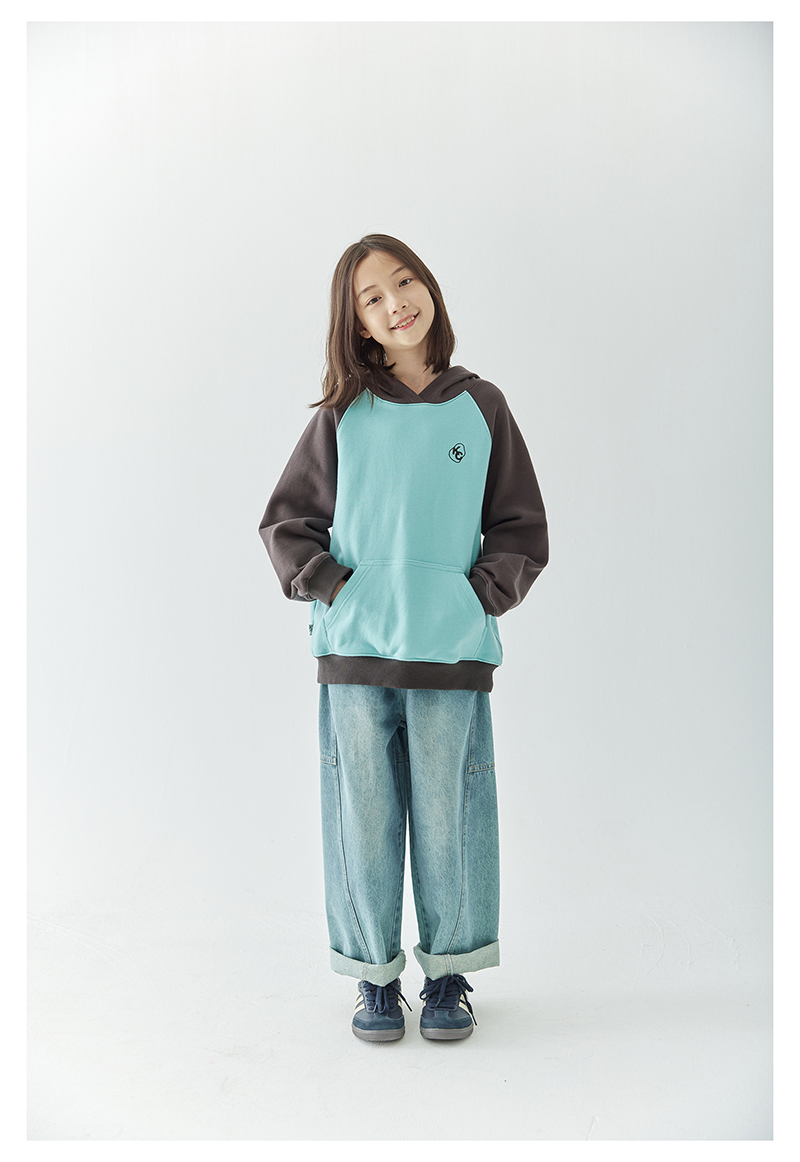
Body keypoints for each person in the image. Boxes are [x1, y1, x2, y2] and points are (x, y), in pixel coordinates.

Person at [259, 234, 548, 1042]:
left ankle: (449, 973)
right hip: (356, 657)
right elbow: (287, 522)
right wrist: (335, 588)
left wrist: (476, 599)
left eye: (405, 282)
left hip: (451, 655)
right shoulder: (344, 414)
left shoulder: (481, 406)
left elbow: (520, 527)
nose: (396, 303)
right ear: (357, 323)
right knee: (364, 818)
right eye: (372, 298)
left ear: (429, 289)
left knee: (453, 814)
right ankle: (374, 978)